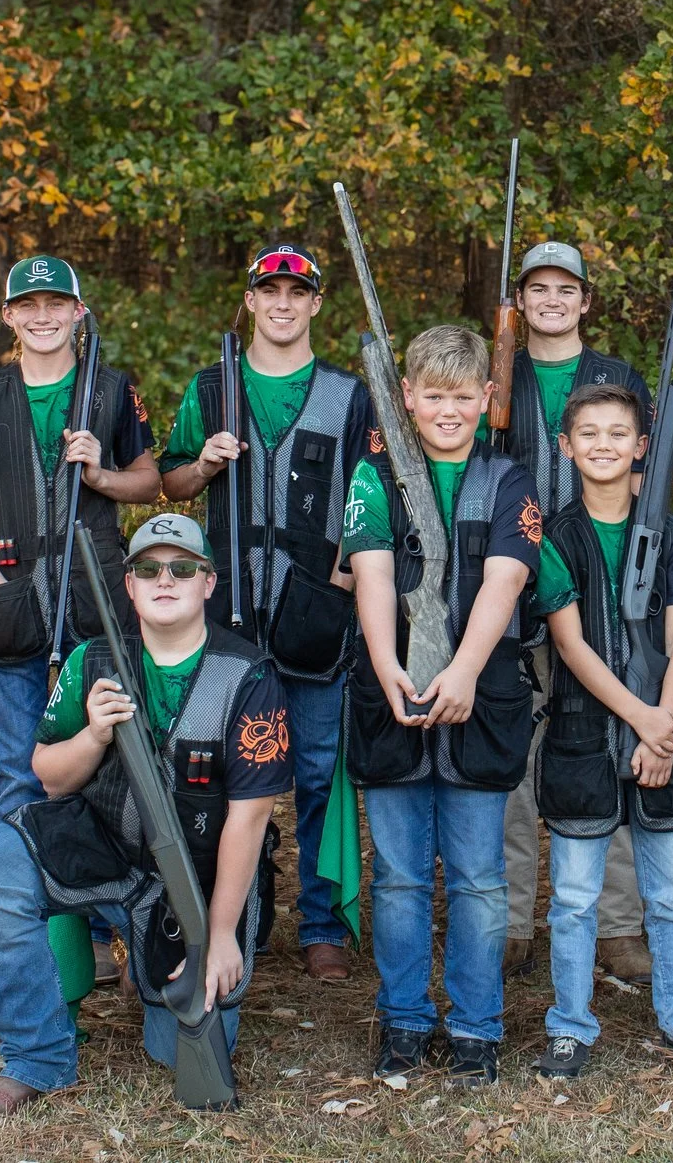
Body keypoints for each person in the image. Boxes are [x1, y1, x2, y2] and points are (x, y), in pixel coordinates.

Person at [0, 515, 289, 1116]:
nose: (166, 580)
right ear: (129, 585)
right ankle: (38, 1058)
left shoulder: (249, 677)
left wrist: (216, 935)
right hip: (104, 847)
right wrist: (95, 736)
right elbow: (49, 775)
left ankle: (150, 969)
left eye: (182, 568)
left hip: (201, 876)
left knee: (172, 1048)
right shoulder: (91, 660)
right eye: (148, 569)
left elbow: (251, 815)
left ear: (208, 583)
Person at [158, 241, 376, 983]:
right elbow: (174, 482)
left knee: (319, 769)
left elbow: (371, 494)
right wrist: (206, 464)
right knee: (218, 773)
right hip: (226, 618)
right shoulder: (210, 385)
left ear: (316, 303)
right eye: (269, 290)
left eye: (297, 291)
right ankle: (234, 907)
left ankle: (325, 922)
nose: (282, 303)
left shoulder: (350, 395)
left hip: (315, 611)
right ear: (250, 300)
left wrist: (346, 580)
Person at [342, 323, 543, 1084]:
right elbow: (372, 573)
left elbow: (505, 580)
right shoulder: (374, 476)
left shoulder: (508, 478)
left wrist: (461, 671)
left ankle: (476, 1025)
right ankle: (402, 1020)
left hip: (481, 697)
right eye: (433, 396)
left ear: (486, 398)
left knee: (478, 877)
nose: (448, 410)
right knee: (397, 875)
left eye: (463, 396)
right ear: (407, 398)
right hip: (386, 693)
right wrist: (390, 664)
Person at [529, 384, 673, 1077]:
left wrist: (665, 728)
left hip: (665, 738)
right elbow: (571, 646)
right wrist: (643, 718)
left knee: (671, 898)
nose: (602, 444)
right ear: (566, 446)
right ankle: (569, 1024)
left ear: (641, 446)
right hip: (583, 740)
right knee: (572, 898)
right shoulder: (554, 536)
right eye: (587, 432)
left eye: (618, 433)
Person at [0, 256, 158, 821]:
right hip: (11, 593)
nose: (44, 317)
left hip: (98, 595)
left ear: (78, 311)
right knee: (18, 767)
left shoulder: (112, 390)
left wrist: (101, 475)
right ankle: (20, 904)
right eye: (29, 305)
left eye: (57, 304)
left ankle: (97, 900)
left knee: (109, 756)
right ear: (8, 315)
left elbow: (150, 481)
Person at [496, 240, 654, 981]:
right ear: (520, 300)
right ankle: (509, 922)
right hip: (513, 585)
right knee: (514, 762)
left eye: (567, 288)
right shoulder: (499, 372)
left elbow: (648, 484)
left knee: (606, 746)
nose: (553, 300)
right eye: (539, 288)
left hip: (604, 587)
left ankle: (619, 924)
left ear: (586, 299)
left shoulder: (617, 379)